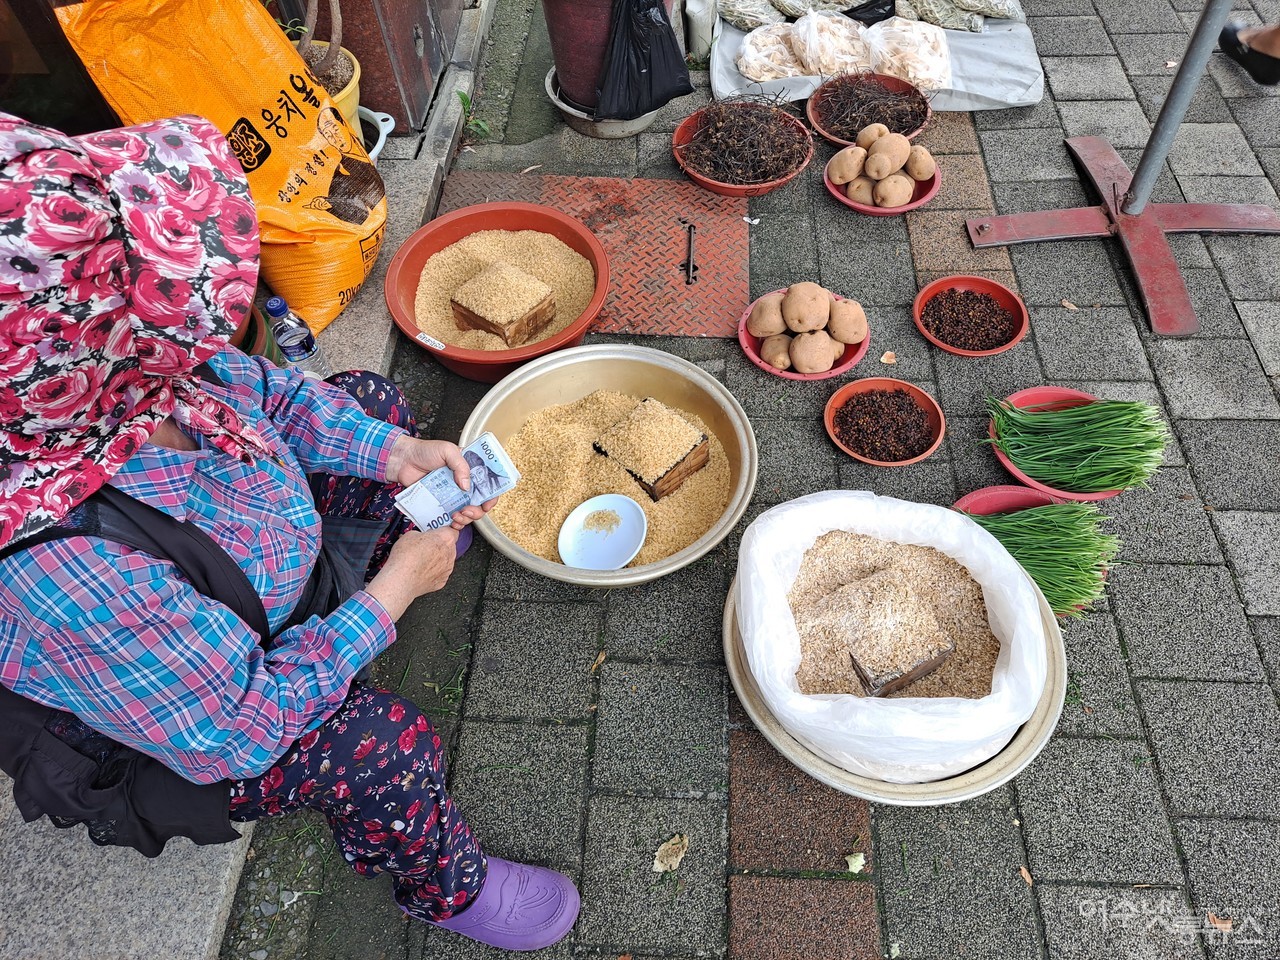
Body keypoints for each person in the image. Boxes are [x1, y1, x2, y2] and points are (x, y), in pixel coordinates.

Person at [0, 110, 578, 953]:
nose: (199, 326)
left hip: (263, 580)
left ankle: (344, 615)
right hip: (196, 723)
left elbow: (271, 394)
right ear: (80, 351)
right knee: (377, 746)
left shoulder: (124, 373)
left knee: (368, 406)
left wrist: (396, 453)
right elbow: (234, 729)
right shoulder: (56, 572)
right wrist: (388, 597)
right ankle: (444, 888)